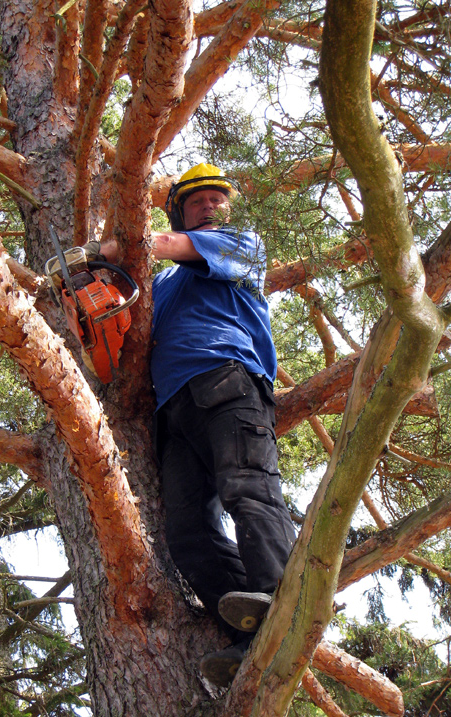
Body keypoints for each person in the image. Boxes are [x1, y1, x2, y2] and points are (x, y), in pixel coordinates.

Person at [148, 164, 296, 687]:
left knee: (249, 490)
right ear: (179, 210)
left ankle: (283, 602)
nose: (210, 207)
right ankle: (248, 639)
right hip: (173, 409)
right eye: (197, 202)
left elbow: (166, 246)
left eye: (217, 199)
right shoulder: (162, 286)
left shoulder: (239, 245)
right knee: (187, 533)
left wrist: (127, 244)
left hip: (227, 380)